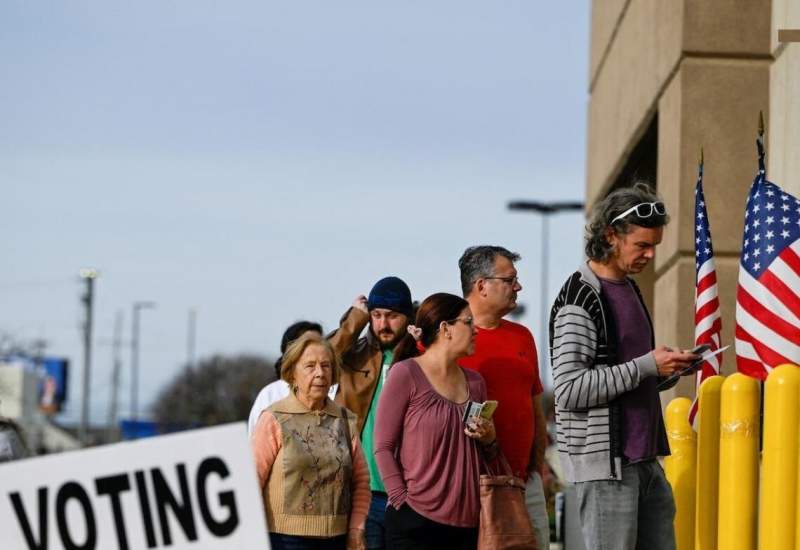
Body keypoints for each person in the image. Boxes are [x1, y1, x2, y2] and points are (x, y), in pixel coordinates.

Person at [549, 182, 699, 550]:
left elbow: (628, 375)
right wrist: (647, 365)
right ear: (610, 236)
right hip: (605, 469)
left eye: (654, 246)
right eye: (642, 245)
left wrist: (670, 369)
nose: (650, 255)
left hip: (645, 461)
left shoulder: (629, 289)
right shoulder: (579, 300)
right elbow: (569, 390)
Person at [374, 293, 496, 550]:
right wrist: (401, 501)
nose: (476, 330)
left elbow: (488, 455)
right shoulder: (405, 373)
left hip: (467, 528)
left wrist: (489, 439)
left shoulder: (476, 383)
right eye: (468, 322)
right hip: (414, 524)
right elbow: (383, 447)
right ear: (445, 328)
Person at [458, 245, 550, 548]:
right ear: (481, 286)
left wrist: (538, 468)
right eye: (510, 280)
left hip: (525, 484)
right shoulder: (446, 338)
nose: (518, 287)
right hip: (470, 488)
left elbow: (535, 405)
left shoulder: (522, 336)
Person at [251, 333, 370, 550]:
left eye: (326, 366)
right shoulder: (274, 418)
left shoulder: (344, 420)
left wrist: (356, 529)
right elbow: (252, 480)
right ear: (292, 374)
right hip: (284, 540)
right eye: (310, 366)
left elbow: (361, 483)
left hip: (337, 539)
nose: (320, 373)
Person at [331, 277, 413, 550]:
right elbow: (317, 358)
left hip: (408, 494)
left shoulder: (421, 358)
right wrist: (354, 319)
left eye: (392, 316)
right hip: (361, 493)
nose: (383, 324)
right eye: (376, 316)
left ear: (408, 316)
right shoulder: (354, 356)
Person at [247, 320, 332, 435]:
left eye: (319, 342)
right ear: (290, 352)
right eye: (307, 344)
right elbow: (256, 444)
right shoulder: (270, 394)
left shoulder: (335, 393)